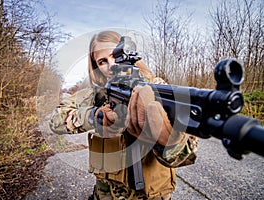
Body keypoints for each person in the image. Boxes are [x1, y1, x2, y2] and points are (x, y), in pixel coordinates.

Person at [49, 30, 198, 200]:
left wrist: (165, 135)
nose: (111, 65)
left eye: (115, 56)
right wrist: (95, 116)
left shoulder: (155, 87)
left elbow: (187, 155)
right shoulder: (96, 93)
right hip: (106, 194)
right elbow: (55, 120)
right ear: (96, 66)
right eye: (102, 61)